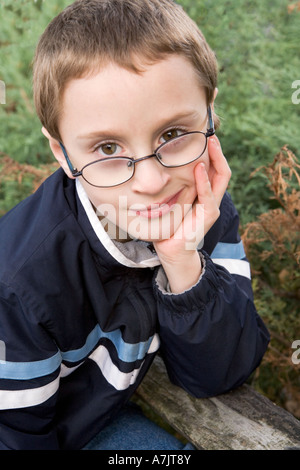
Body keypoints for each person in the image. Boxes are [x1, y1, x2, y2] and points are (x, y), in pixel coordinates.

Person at [0, 0, 269, 450]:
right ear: (62, 153)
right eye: (107, 148)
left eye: (172, 134)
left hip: (116, 406)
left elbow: (221, 374)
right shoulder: (19, 287)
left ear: (209, 111)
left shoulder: (204, 209)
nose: (152, 182)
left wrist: (183, 263)